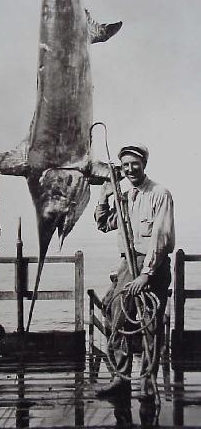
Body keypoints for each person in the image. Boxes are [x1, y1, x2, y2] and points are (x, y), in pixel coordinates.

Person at [94, 144, 175, 400]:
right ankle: (121, 378)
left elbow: (160, 238)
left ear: (144, 164)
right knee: (114, 314)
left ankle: (148, 384)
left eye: (134, 164)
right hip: (127, 266)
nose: (129, 169)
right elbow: (104, 225)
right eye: (125, 165)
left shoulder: (160, 193)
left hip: (153, 266)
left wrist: (146, 274)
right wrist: (104, 196)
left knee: (150, 323)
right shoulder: (125, 197)